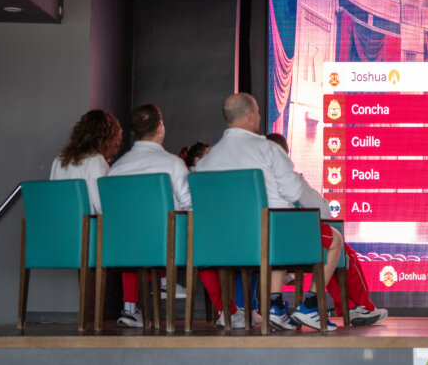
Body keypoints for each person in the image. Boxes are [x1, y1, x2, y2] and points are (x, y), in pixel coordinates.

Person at [196, 93, 385, 331]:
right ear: (250, 115)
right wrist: (322, 213)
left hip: (226, 245)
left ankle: (275, 306)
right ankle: (310, 306)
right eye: (258, 114)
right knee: (332, 240)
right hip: (272, 237)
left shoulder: (206, 162)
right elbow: (295, 191)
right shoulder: (267, 150)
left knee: (280, 235)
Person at [108, 103, 242, 329]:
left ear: (134, 131)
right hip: (169, 245)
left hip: (127, 247)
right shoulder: (171, 163)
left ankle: (130, 308)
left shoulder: (116, 169)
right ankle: (226, 311)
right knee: (202, 246)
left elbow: (110, 210)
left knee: (131, 235)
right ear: (160, 127)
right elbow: (190, 204)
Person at [265, 132, 387, 327]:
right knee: (341, 252)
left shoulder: (257, 181)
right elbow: (322, 210)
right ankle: (360, 306)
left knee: (327, 251)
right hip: (295, 242)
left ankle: (350, 307)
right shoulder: (289, 179)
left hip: (265, 244)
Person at [50, 109, 122, 216]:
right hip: (86, 228)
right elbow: (101, 206)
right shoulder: (95, 160)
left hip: (61, 224)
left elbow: (54, 200)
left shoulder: (58, 161)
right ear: (108, 138)